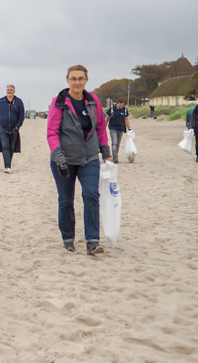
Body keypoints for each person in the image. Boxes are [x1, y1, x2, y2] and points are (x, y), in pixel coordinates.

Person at [47, 65, 112, 256]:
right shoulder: (59, 102)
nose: (77, 82)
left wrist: (106, 152)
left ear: (86, 80)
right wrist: (58, 156)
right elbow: (51, 133)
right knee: (66, 200)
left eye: (81, 79)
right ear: (67, 80)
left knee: (91, 195)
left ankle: (93, 241)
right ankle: (68, 239)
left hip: (89, 157)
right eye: (73, 79)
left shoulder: (93, 101)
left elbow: (100, 128)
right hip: (64, 159)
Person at [0, 84, 25, 173]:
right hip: (3, 128)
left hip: (14, 129)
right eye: (8, 90)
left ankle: (8, 164)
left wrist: (18, 126)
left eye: (11, 90)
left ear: (14, 91)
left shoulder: (19, 102)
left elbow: (21, 115)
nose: (9, 91)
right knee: (5, 146)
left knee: (11, 148)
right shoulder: (1, 101)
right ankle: (7, 167)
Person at [105, 99, 131, 163]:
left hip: (121, 128)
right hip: (112, 128)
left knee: (118, 143)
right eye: (119, 105)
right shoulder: (111, 109)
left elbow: (126, 119)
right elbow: (107, 118)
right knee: (114, 142)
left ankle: (115, 155)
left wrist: (129, 128)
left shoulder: (125, 110)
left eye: (122, 105)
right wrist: (103, 127)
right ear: (117, 103)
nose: (121, 106)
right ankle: (115, 157)